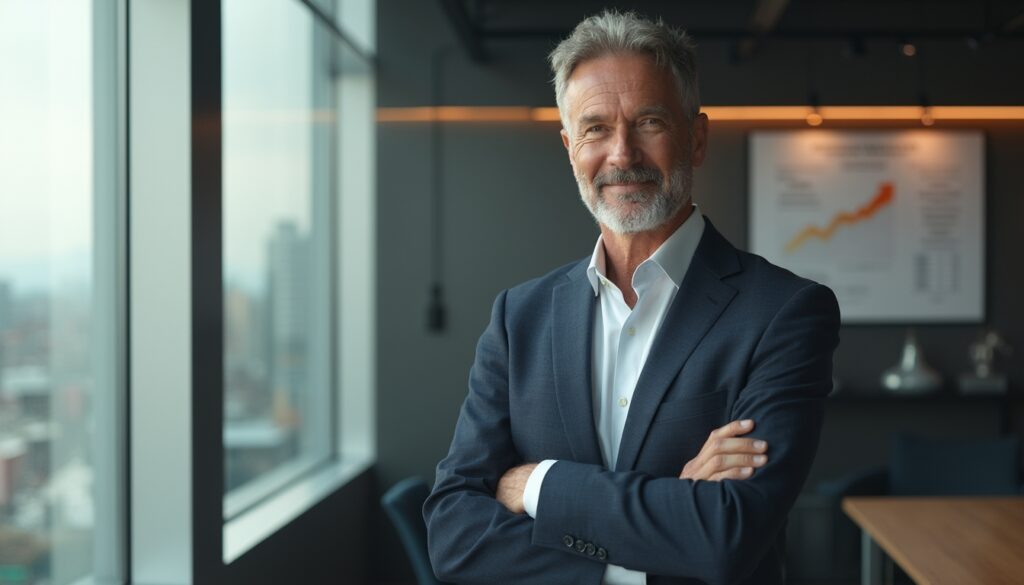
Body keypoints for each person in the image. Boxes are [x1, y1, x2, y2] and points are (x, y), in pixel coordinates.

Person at [423, 10, 840, 585]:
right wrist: (666, 519)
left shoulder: (784, 313)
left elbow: (726, 537)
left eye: (648, 122)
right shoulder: (519, 318)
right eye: (595, 128)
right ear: (570, 147)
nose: (622, 154)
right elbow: (453, 536)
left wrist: (538, 484)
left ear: (695, 137)